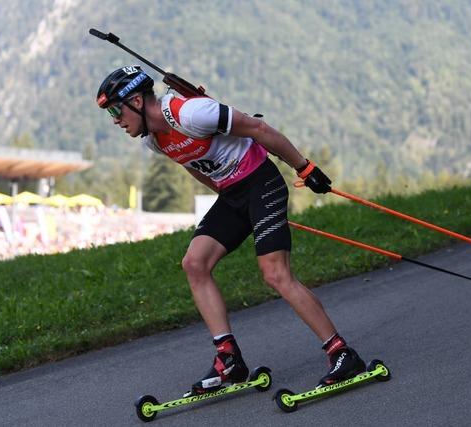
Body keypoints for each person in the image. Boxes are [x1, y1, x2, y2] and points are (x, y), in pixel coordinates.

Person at [96, 65, 366, 396]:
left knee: (275, 274)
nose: (115, 120)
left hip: (261, 183)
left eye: (115, 109)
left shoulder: (192, 113)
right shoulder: (154, 140)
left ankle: (342, 353)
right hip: (233, 196)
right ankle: (230, 360)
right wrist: (227, 198)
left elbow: (257, 128)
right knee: (194, 263)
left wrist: (305, 167)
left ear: (136, 100)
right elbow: (195, 166)